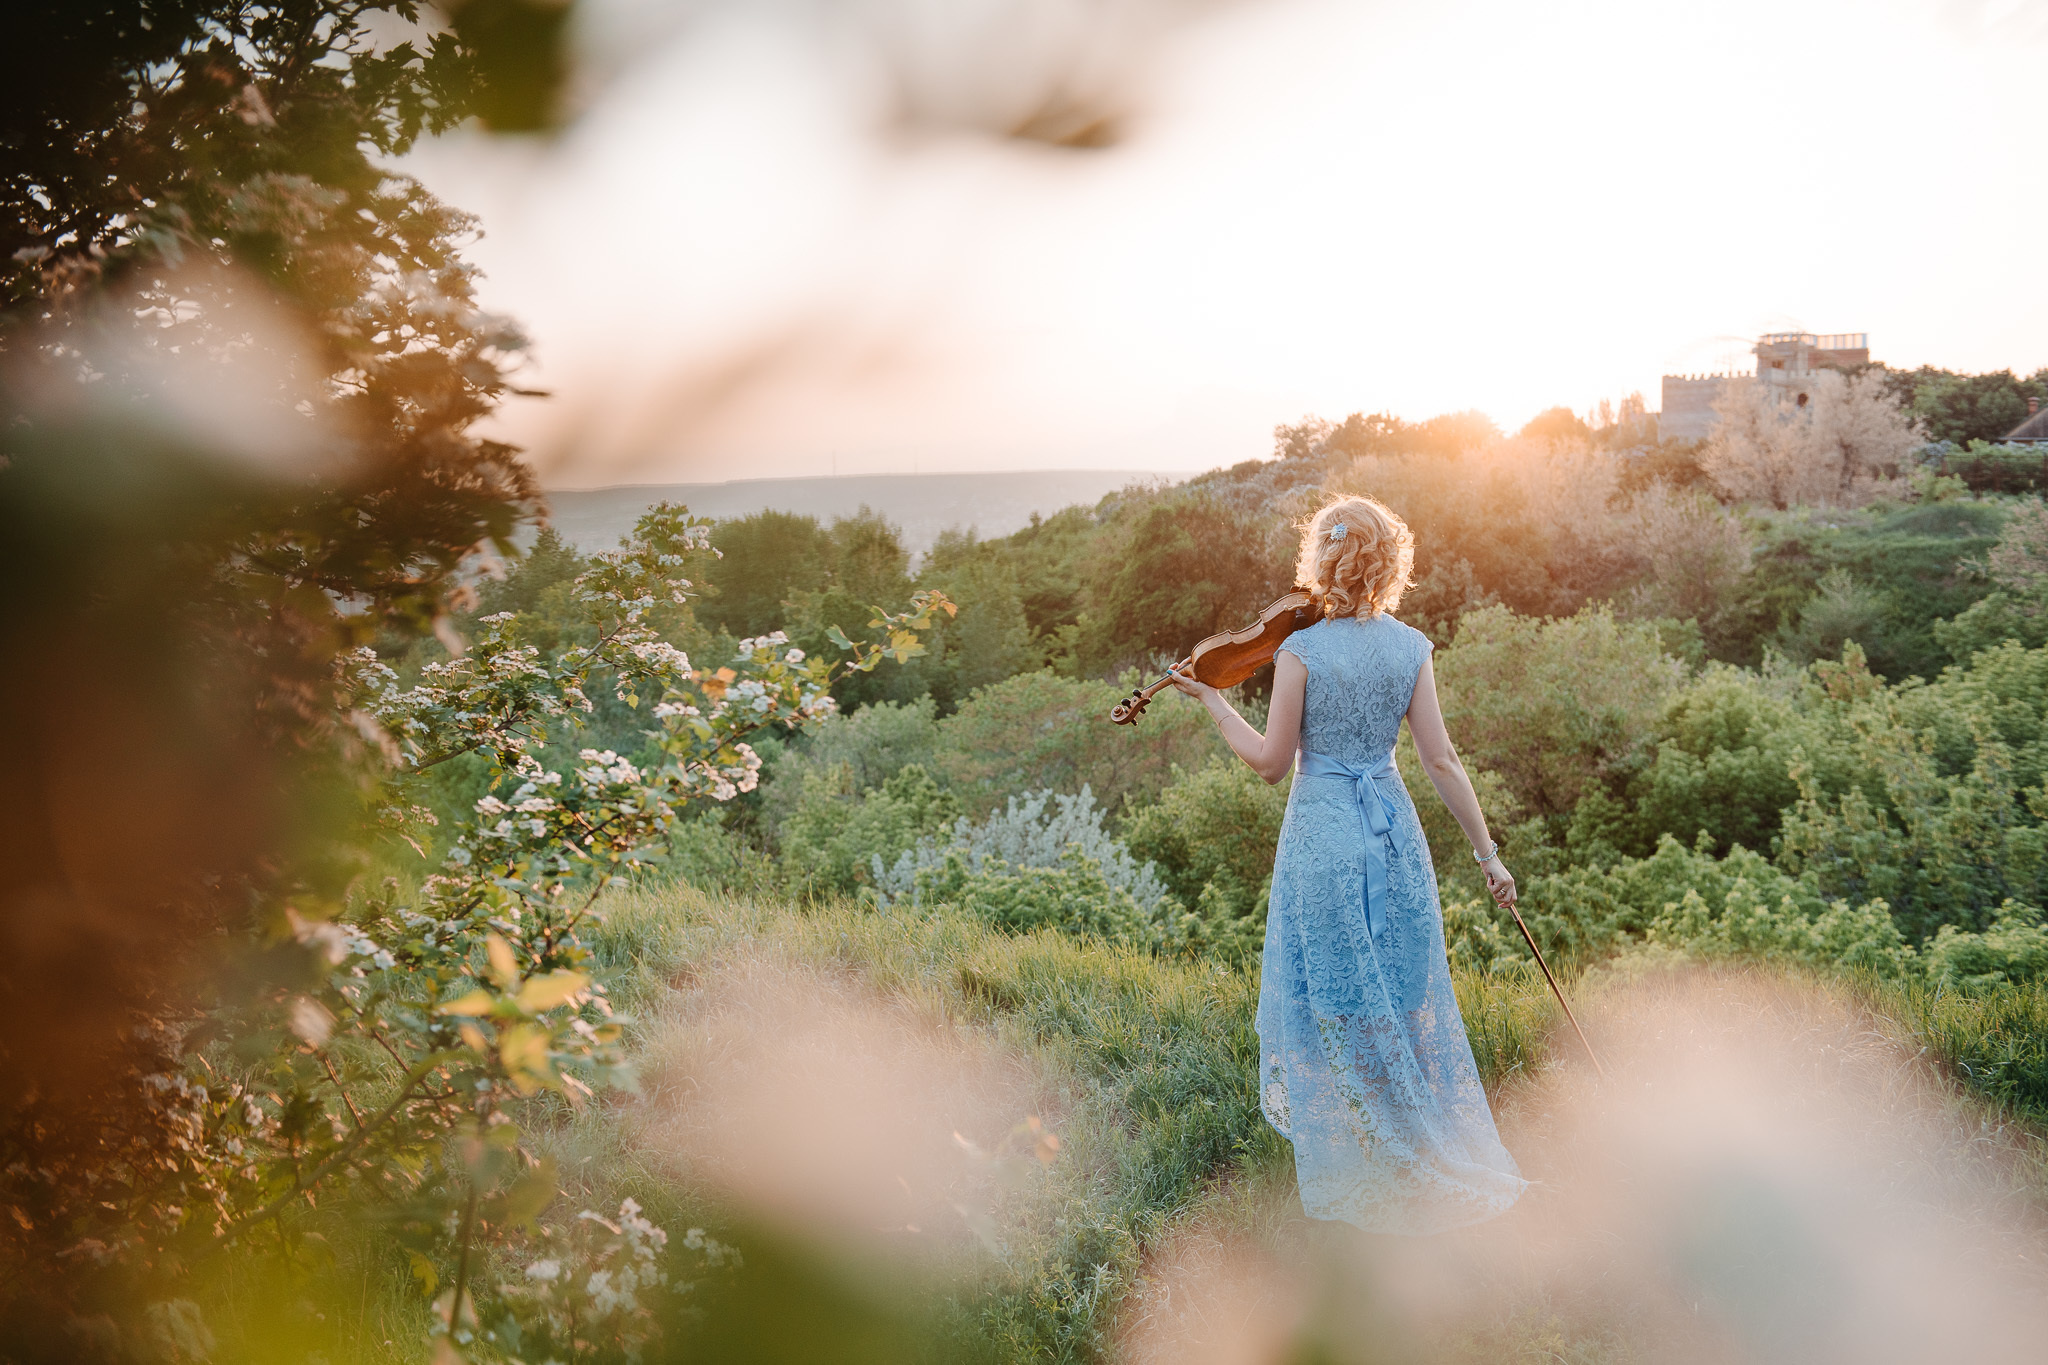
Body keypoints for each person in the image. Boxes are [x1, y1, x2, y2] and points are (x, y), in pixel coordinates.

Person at [1169, 494, 1526, 1232]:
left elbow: (1271, 763)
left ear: (1322, 560)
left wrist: (1211, 698)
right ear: (1391, 561)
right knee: (1399, 984)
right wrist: (1487, 854)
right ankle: (1411, 1133)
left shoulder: (1300, 652)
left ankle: (1360, 1144)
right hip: (1392, 828)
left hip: (1326, 834)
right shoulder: (1412, 646)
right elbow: (1441, 758)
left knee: (1330, 989)